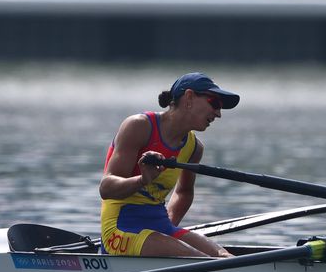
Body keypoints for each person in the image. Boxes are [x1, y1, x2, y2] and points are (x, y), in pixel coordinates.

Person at [100, 72, 239, 257]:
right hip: (120, 228)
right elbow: (106, 188)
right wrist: (142, 180)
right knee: (203, 261)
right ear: (189, 97)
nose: (218, 114)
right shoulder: (139, 126)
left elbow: (184, 192)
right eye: (214, 103)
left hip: (160, 224)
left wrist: (167, 232)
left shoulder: (194, 148)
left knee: (224, 257)